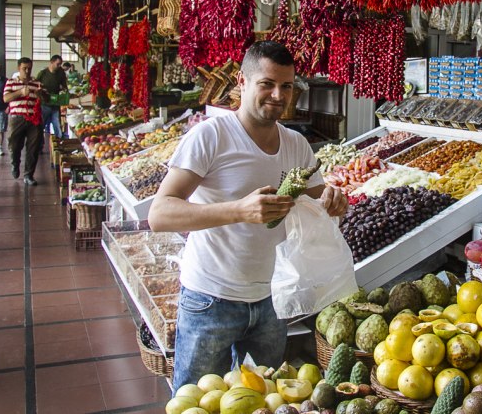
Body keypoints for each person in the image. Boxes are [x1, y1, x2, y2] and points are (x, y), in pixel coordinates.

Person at [148, 41, 348, 392]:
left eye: (286, 86)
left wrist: (334, 199)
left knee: (262, 399)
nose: (277, 94)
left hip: (272, 300)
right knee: (195, 400)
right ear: (242, 81)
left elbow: (320, 199)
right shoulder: (210, 137)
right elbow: (160, 213)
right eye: (267, 84)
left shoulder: (297, 145)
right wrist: (239, 210)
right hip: (211, 298)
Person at [3, 57, 45, 186]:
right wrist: (20, 92)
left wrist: (40, 94)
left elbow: (45, 99)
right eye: (24, 68)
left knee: (33, 148)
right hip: (17, 118)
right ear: (18, 68)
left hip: (34, 119)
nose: (27, 71)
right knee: (14, 145)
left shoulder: (36, 83)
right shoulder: (11, 82)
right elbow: (6, 98)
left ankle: (28, 175)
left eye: (29, 68)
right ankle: (15, 163)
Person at [36, 54, 68, 140]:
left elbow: (64, 86)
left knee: (57, 123)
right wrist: (41, 90)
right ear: (51, 62)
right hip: (44, 103)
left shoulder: (61, 73)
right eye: (58, 64)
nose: (59, 66)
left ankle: (59, 142)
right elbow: (36, 85)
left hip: (56, 102)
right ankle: (39, 144)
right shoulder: (43, 73)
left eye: (60, 64)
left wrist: (64, 90)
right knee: (41, 124)